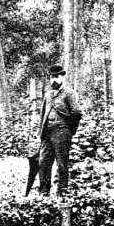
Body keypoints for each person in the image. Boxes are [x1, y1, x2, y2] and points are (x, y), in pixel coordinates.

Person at [37, 65, 82, 196]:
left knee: (62, 164)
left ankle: (62, 192)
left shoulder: (69, 93)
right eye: (52, 77)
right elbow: (42, 115)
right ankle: (43, 192)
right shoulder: (48, 95)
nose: (53, 80)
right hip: (47, 134)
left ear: (62, 77)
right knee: (43, 163)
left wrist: (69, 130)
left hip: (62, 132)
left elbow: (77, 113)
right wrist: (40, 133)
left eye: (56, 77)